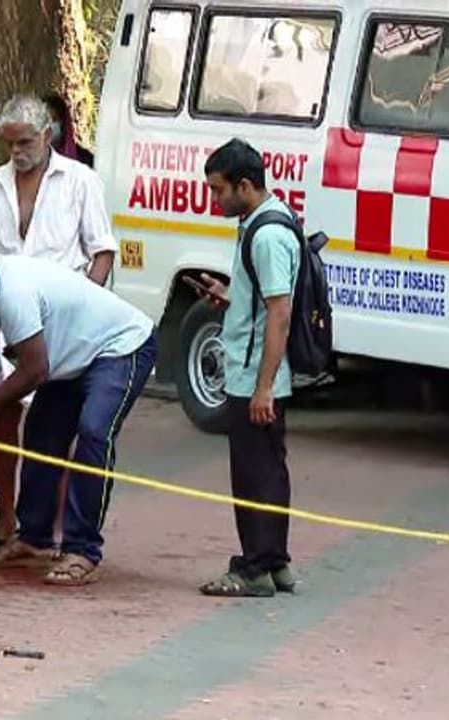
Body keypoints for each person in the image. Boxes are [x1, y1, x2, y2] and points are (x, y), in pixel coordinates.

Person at [0, 229, 157, 586]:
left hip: (122, 347)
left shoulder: (13, 289)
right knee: (42, 431)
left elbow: (33, 371)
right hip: (73, 358)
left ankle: (83, 549)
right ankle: (35, 538)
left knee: (94, 431)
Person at [0, 94, 117, 550]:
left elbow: (102, 250)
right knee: (4, 417)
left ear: (47, 135)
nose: (17, 152)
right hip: (7, 319)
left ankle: (49, 522)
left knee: (57, 426)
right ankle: (6, 519)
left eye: (24, 141)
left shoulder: (80, 180)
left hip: (64, 327)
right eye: (10, 144)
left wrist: (88, 308)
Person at [192, 139, 299, 598]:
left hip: (252, 376)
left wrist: (262, 387)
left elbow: (279, 312)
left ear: (245, 185)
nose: (216, 200)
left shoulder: (268, 234)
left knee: (253, 473)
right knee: (268, 469)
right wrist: (230, 294)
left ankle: (254, 567)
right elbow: (261, 304)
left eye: (219, 191)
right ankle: (274, 562)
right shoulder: (260, 223)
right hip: (256, 371)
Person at [42, 92, 95, 168]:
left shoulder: (84, 160)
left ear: (63, 122)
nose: (47, 126)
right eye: (44, 121)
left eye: (53, 120)